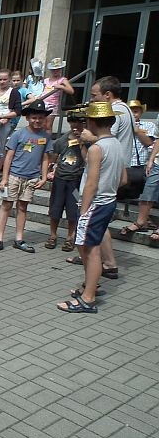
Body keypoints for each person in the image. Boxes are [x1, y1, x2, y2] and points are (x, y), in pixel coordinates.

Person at [57, 102, 127, 314]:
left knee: (91, 250)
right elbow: (123, 179)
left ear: (93, 122)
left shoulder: (98, 148)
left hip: (95, 204)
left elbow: (91, 183)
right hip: (108, 201)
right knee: (88, 247)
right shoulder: (115, 144)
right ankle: (90, 286)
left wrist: (84, 210)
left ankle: (88, 298)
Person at [69, 77, 134, 277]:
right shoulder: (125, 111)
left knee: (90, 246)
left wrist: (90, 139)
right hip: (112, 179)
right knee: (98, 230)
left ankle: (97, 267)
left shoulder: (114, 114)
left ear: (107, 95)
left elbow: (103, 138)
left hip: (102, 184)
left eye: (94, 95)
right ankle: (105, 263)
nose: (92, 99)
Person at [0, 101, 53, 254]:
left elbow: (45, 158)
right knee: (6, 205)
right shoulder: (19, 134)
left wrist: (43, 177)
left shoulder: (45, 136)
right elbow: (8, 157)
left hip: (32, 178)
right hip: (15, 176)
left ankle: (19, 238)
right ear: (28, 118)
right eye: (34, 117)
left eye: (40, 118)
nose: (37, 121)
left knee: (23, 207)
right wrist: (4, 178)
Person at [46, 112, 86, 251]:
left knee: (73, 209)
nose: (76, 127)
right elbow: (54, 156)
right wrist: (50, 169)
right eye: (73, 124)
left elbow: (87, 159)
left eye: (79, 124)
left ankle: (70, 237)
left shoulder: (87, 141)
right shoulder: (62, 140)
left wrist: (82, 143)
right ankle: (53, 235)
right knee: (55, 208)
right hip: (60, 178)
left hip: (76, 180)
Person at [119, 100, 158, 237]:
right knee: (147, 190)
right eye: (130, 111)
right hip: (125, 165)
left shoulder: (148, 125)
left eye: (136, 111)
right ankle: (142, 220)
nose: (133, 114)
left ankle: (145, 220)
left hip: (140, 166)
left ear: (141, 112)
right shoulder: (120, 124)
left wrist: (136, 131)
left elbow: (149, 142)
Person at [42, 58, 75, 134]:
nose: (55, 71)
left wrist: (62, 87)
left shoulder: (62, 80)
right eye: (53, 70)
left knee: (48, 125)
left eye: (57, 69)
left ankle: (47, 140)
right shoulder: (46, 80)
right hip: (43, 102)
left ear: (61, 70)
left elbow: (71, 91)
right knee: (42, 124)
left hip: (52, 104)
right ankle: (40, 139)